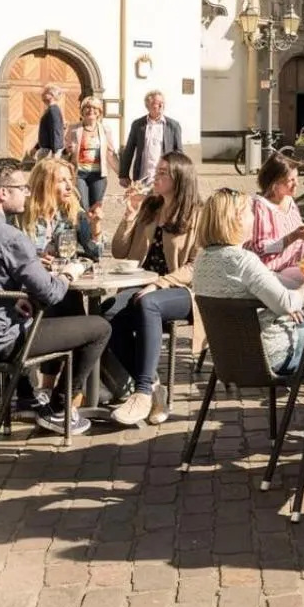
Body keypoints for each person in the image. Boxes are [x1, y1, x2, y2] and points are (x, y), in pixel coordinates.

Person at [0, 157, 109, 436]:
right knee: (99, 327)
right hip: (2, 344)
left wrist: (11, 300)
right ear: (3, 193)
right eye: (22, 188)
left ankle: (30, 397)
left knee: (38, 307)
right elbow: (51, 293)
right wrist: (70, 273)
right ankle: (61, 407)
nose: (27, 192)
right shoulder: (10, 236)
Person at [105, 151, 202, 426]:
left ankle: (142, 392)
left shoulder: (197, 213)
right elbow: (119, 251)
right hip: (142, 284)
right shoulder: (149, 207)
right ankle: (154, 386)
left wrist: (159, 283)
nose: (155, 177)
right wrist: (129, 216)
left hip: (181, 290)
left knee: (149, 303)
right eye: (156, 171)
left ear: (180, 179)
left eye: (162, 173)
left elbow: (196, 266)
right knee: (106, 314)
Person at [191, 189, 304, 374]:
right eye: (250, 212)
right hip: (270, 357)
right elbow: (287, 303)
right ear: (237, 219)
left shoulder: (202, 259)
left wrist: (283, 307)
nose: (254, 217)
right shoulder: (243, 261)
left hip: (227, 357)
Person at [247, 151, 304, 283]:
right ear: (274, 184)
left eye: (297, 178)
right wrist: (293, 236)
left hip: (292, 266)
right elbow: (259, 248)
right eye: (291, 180)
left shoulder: (289, 201)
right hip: (269, 273)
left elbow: (299, 236)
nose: (297, 184)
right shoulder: (261, 206)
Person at [18, 157, 99, 260]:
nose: (70, 186)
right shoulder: (20, 215)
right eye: (61, 181)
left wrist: (95, 225)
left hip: (63, 274)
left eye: (70, 179)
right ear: (43, 184)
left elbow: (95, 252)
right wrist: (35, 261)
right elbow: (8, 256)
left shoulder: (73, 212)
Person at [119, 91, 183, 189]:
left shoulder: (173, 126)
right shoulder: (138, 125)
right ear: (148, 106)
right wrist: (123, 175)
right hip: (143, 177)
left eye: (163, 102)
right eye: (157, 103)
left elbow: (179, 153)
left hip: (165, 177)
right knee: (142, 203)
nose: (161, 105)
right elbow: (129, 150)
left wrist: (178, 176)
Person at [63, 96, 118, 211]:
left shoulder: (105, 129)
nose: (90, 110)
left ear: (99, 112)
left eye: (94, 108)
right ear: (82, 110)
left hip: (98, 175)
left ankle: (94, 229)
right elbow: (64, 152)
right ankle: (83, 228)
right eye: (87, 107)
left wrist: (122, 174)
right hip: (79, 174)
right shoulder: (73, 129)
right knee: (82, 206)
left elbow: (110, 153)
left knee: (96, 208)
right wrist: (68, 150)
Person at [35, 84, 66, 158]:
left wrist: (55, 152)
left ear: (52, 95)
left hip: (49, 151)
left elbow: (56, 130)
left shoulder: (53, 110)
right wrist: (36, 148)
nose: (42, 95)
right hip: (47, 149)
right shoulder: (50, 109)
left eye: (45, 93)